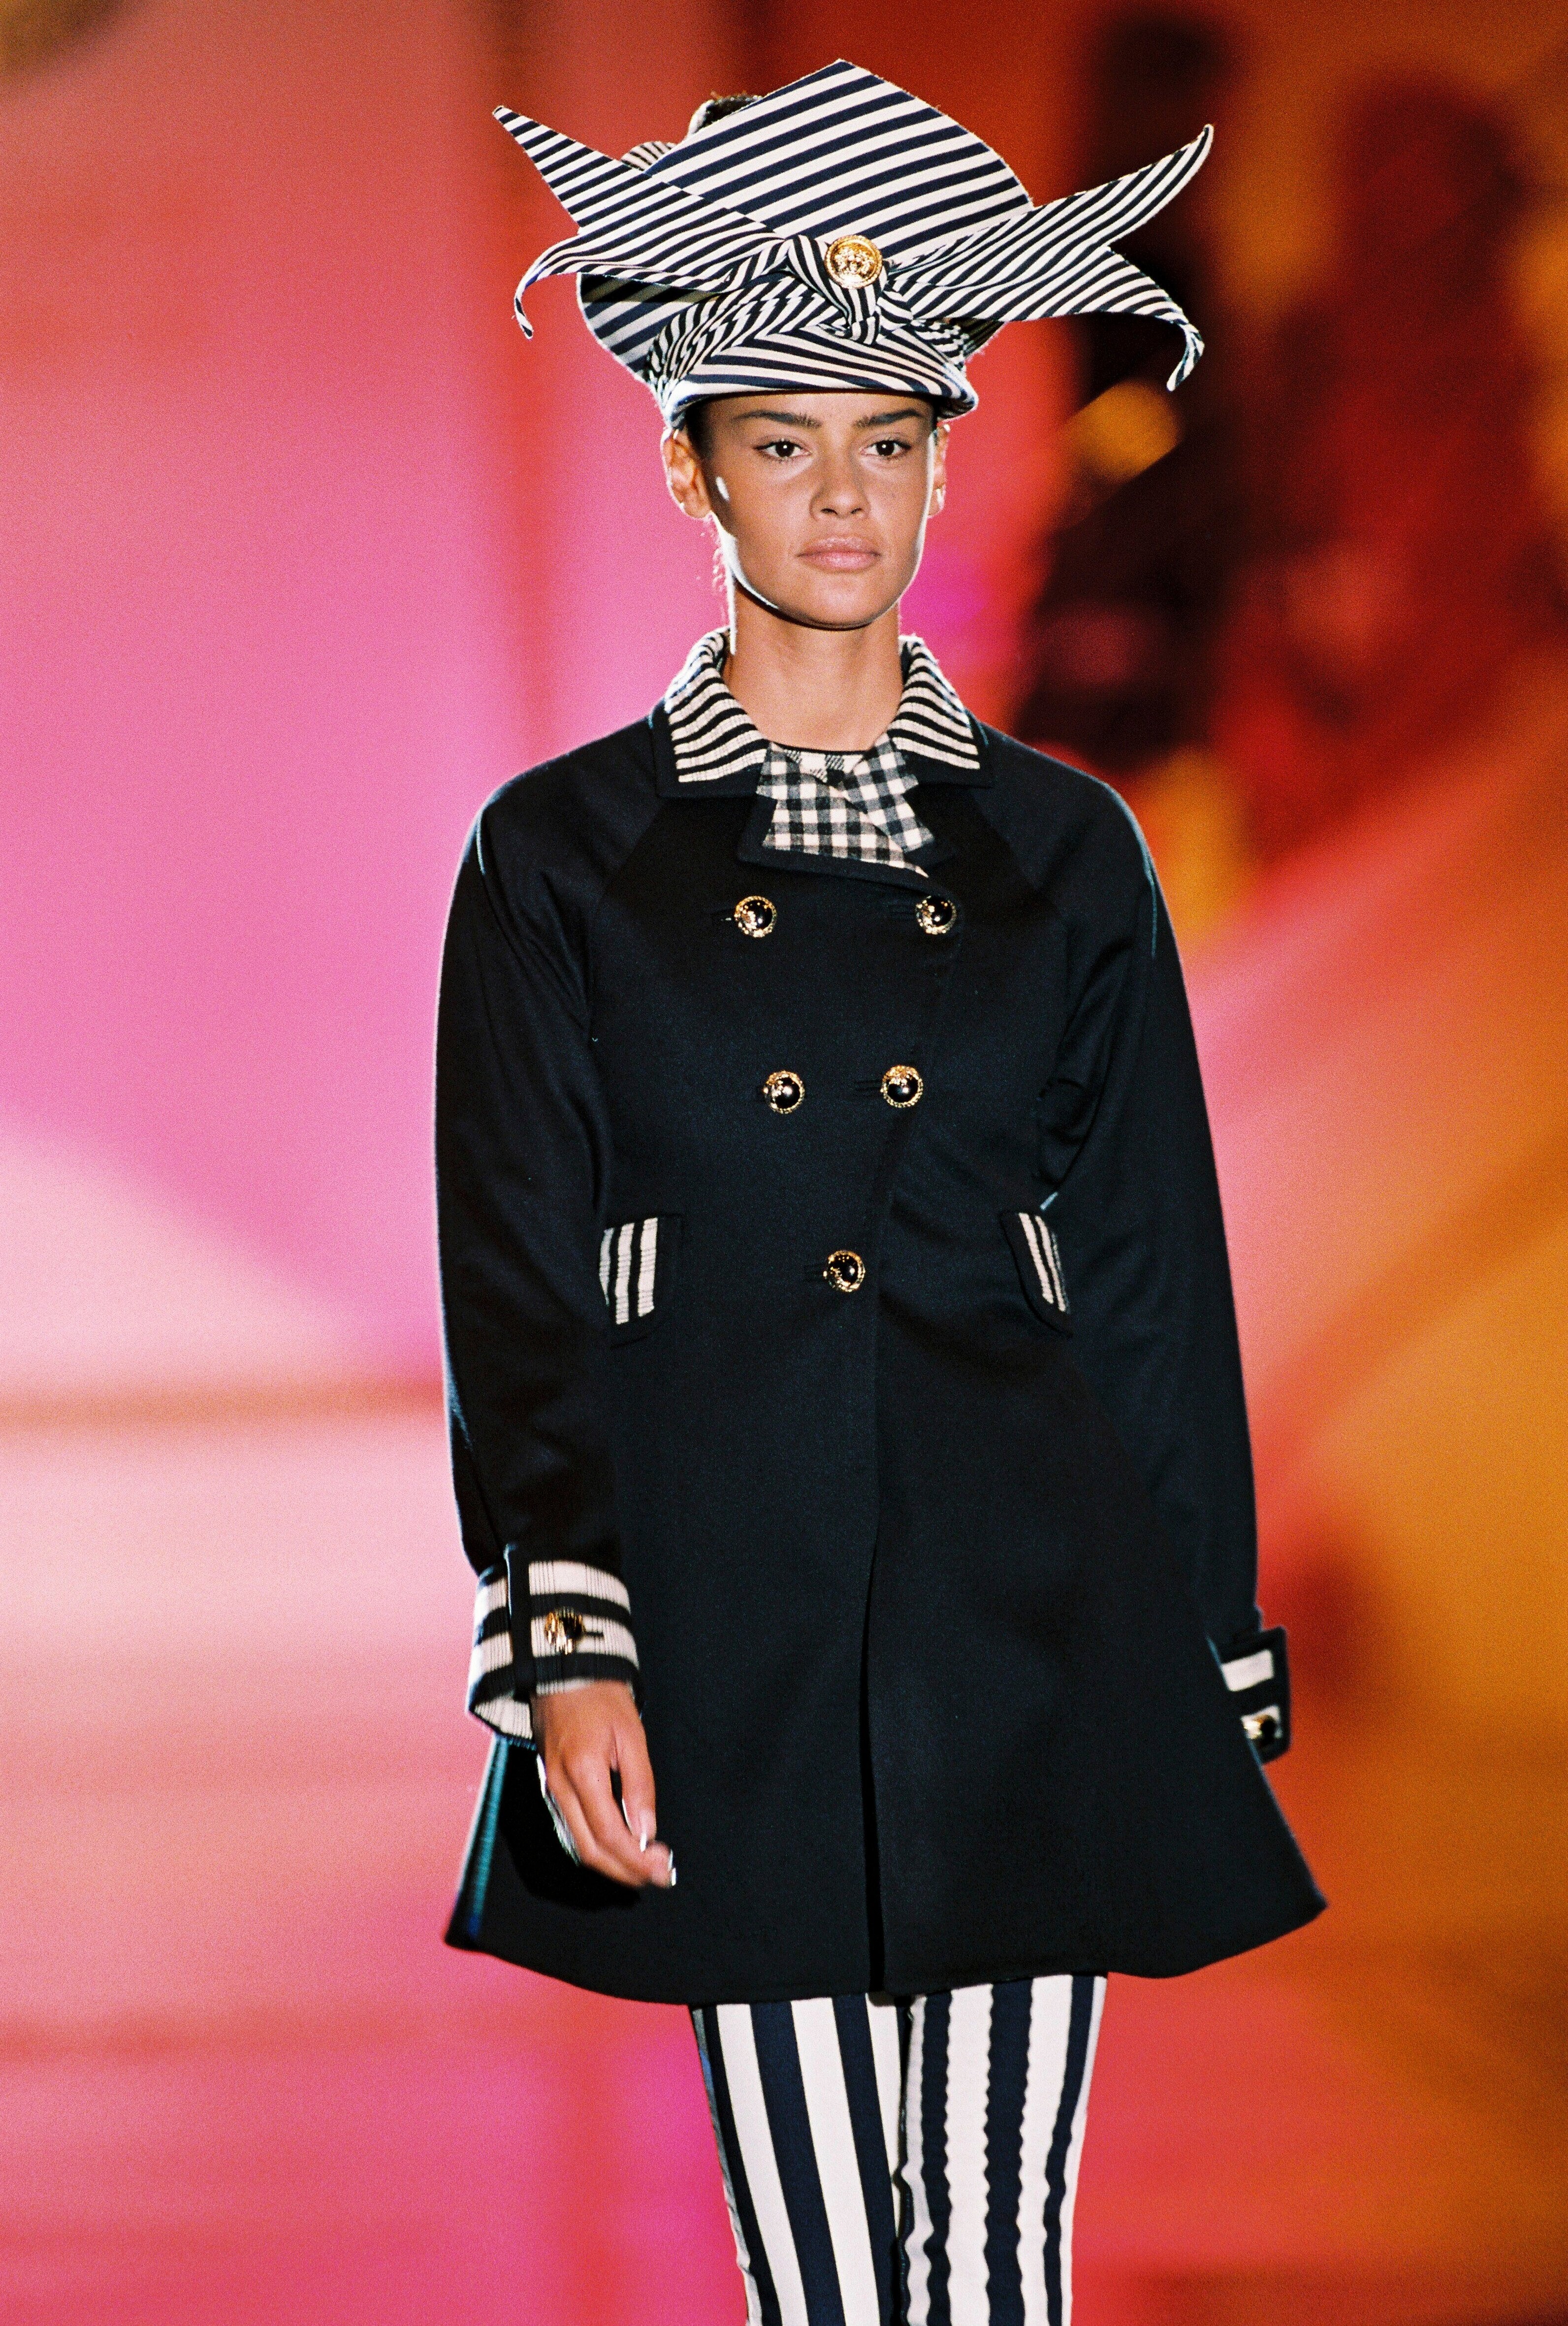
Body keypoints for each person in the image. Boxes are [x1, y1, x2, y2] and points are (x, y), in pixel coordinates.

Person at [437, 62, 1323, 2326]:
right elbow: (518, 1272)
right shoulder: (564, 857)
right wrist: (571, 1632)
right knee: (823, 2268)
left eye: (887, 438)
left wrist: (1197, 1633)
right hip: (730, 1601)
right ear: (688, 461)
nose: (842, 494)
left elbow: (1148, 1268)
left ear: (939, 453)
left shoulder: (1062, 850)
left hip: (1026, 1592)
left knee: (998, 2255)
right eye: (780, 439)